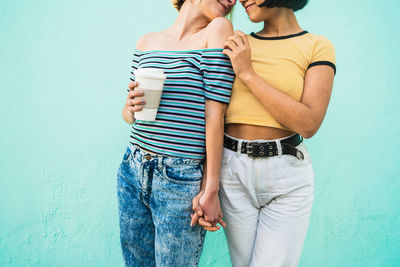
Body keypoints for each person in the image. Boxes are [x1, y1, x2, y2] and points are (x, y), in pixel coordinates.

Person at [192, 0, 336, 266]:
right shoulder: (235, 43)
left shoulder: (317, 46)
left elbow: (309, 122)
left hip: (288, 176)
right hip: (232, 171)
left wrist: (247, 73)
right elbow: (210, 113)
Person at [116, 0, 236, 266]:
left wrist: (211, 188)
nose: (232, 1)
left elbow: (216, 117)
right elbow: (129, 115)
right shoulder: (146, 42)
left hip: (179, 179)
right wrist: (129, 108)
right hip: (132, 168)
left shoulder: (216, 30)